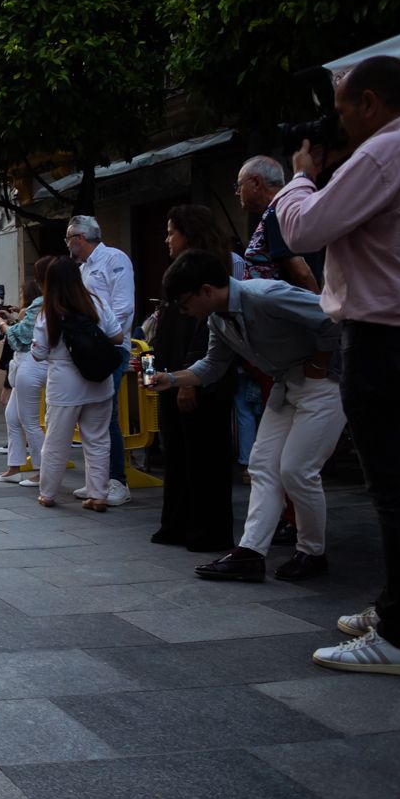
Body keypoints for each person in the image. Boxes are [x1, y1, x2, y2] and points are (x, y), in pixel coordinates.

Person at [276, 54, 400, 676]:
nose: (341, 124)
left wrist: (301, 176)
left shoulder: (385, 154)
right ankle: (397, 607)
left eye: (343, 109)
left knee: (394, 494)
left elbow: (304, 230)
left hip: (385, 341)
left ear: (369, 102)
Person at [152, 250, 343, 582]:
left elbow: (331, 317)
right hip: (289, 382)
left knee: (297, 469)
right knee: (263, 466)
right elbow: (213, 365)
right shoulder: (218, 319)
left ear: (206, 291)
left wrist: (319, 364)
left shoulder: (265, 295)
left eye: (184, 303)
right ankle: (251, 552)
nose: (184, 312)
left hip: (325, 381)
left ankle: (312, 553)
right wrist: (172, 379)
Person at [152, 208, 237, 552]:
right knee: (177, 452)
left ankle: (208, 531)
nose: (167, 239)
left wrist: (189, 379)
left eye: (172, 232)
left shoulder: (211, 269)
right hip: (173, 372)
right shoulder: (179, 270)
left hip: (198, 375)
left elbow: (207, 331)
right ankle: (177, 524)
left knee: (204, 456)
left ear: (189, 232)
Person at [31, 258, 122, 510]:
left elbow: (38, 353)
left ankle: (48, 493)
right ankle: (98, 495)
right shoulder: (96, 302)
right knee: (98, 440)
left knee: (56, 442)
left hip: (64, 388)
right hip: (99, 383)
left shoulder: (48, 311)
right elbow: (117, 336)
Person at [66, 216, 135, 504]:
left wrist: (96, 336)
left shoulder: (113, 259)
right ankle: (97, 479)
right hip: (88, 350)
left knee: (107, 416)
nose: (68, 245)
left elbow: (123, 307)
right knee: (90, 416)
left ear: (80, 238)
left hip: (110, 348)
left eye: (68, 239)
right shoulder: (82, 269)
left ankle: (117, 480)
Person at [0, 258, 52, 486]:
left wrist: (5, 326)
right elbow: (24, 329)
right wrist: (13, 321)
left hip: (32, 363)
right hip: (26, 363)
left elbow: (23, 337)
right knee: (12, 416)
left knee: (29, 421)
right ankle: (15, 467)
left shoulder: (39, 304)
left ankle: (42, 470)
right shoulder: (36, 306)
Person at [235, 155, 320, 291]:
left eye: (239, 185)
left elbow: (301, 273)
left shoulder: (276, 212)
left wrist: (318, 309)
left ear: (256, 182)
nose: (237, 192)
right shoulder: (283, 208)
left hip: (289, 309)